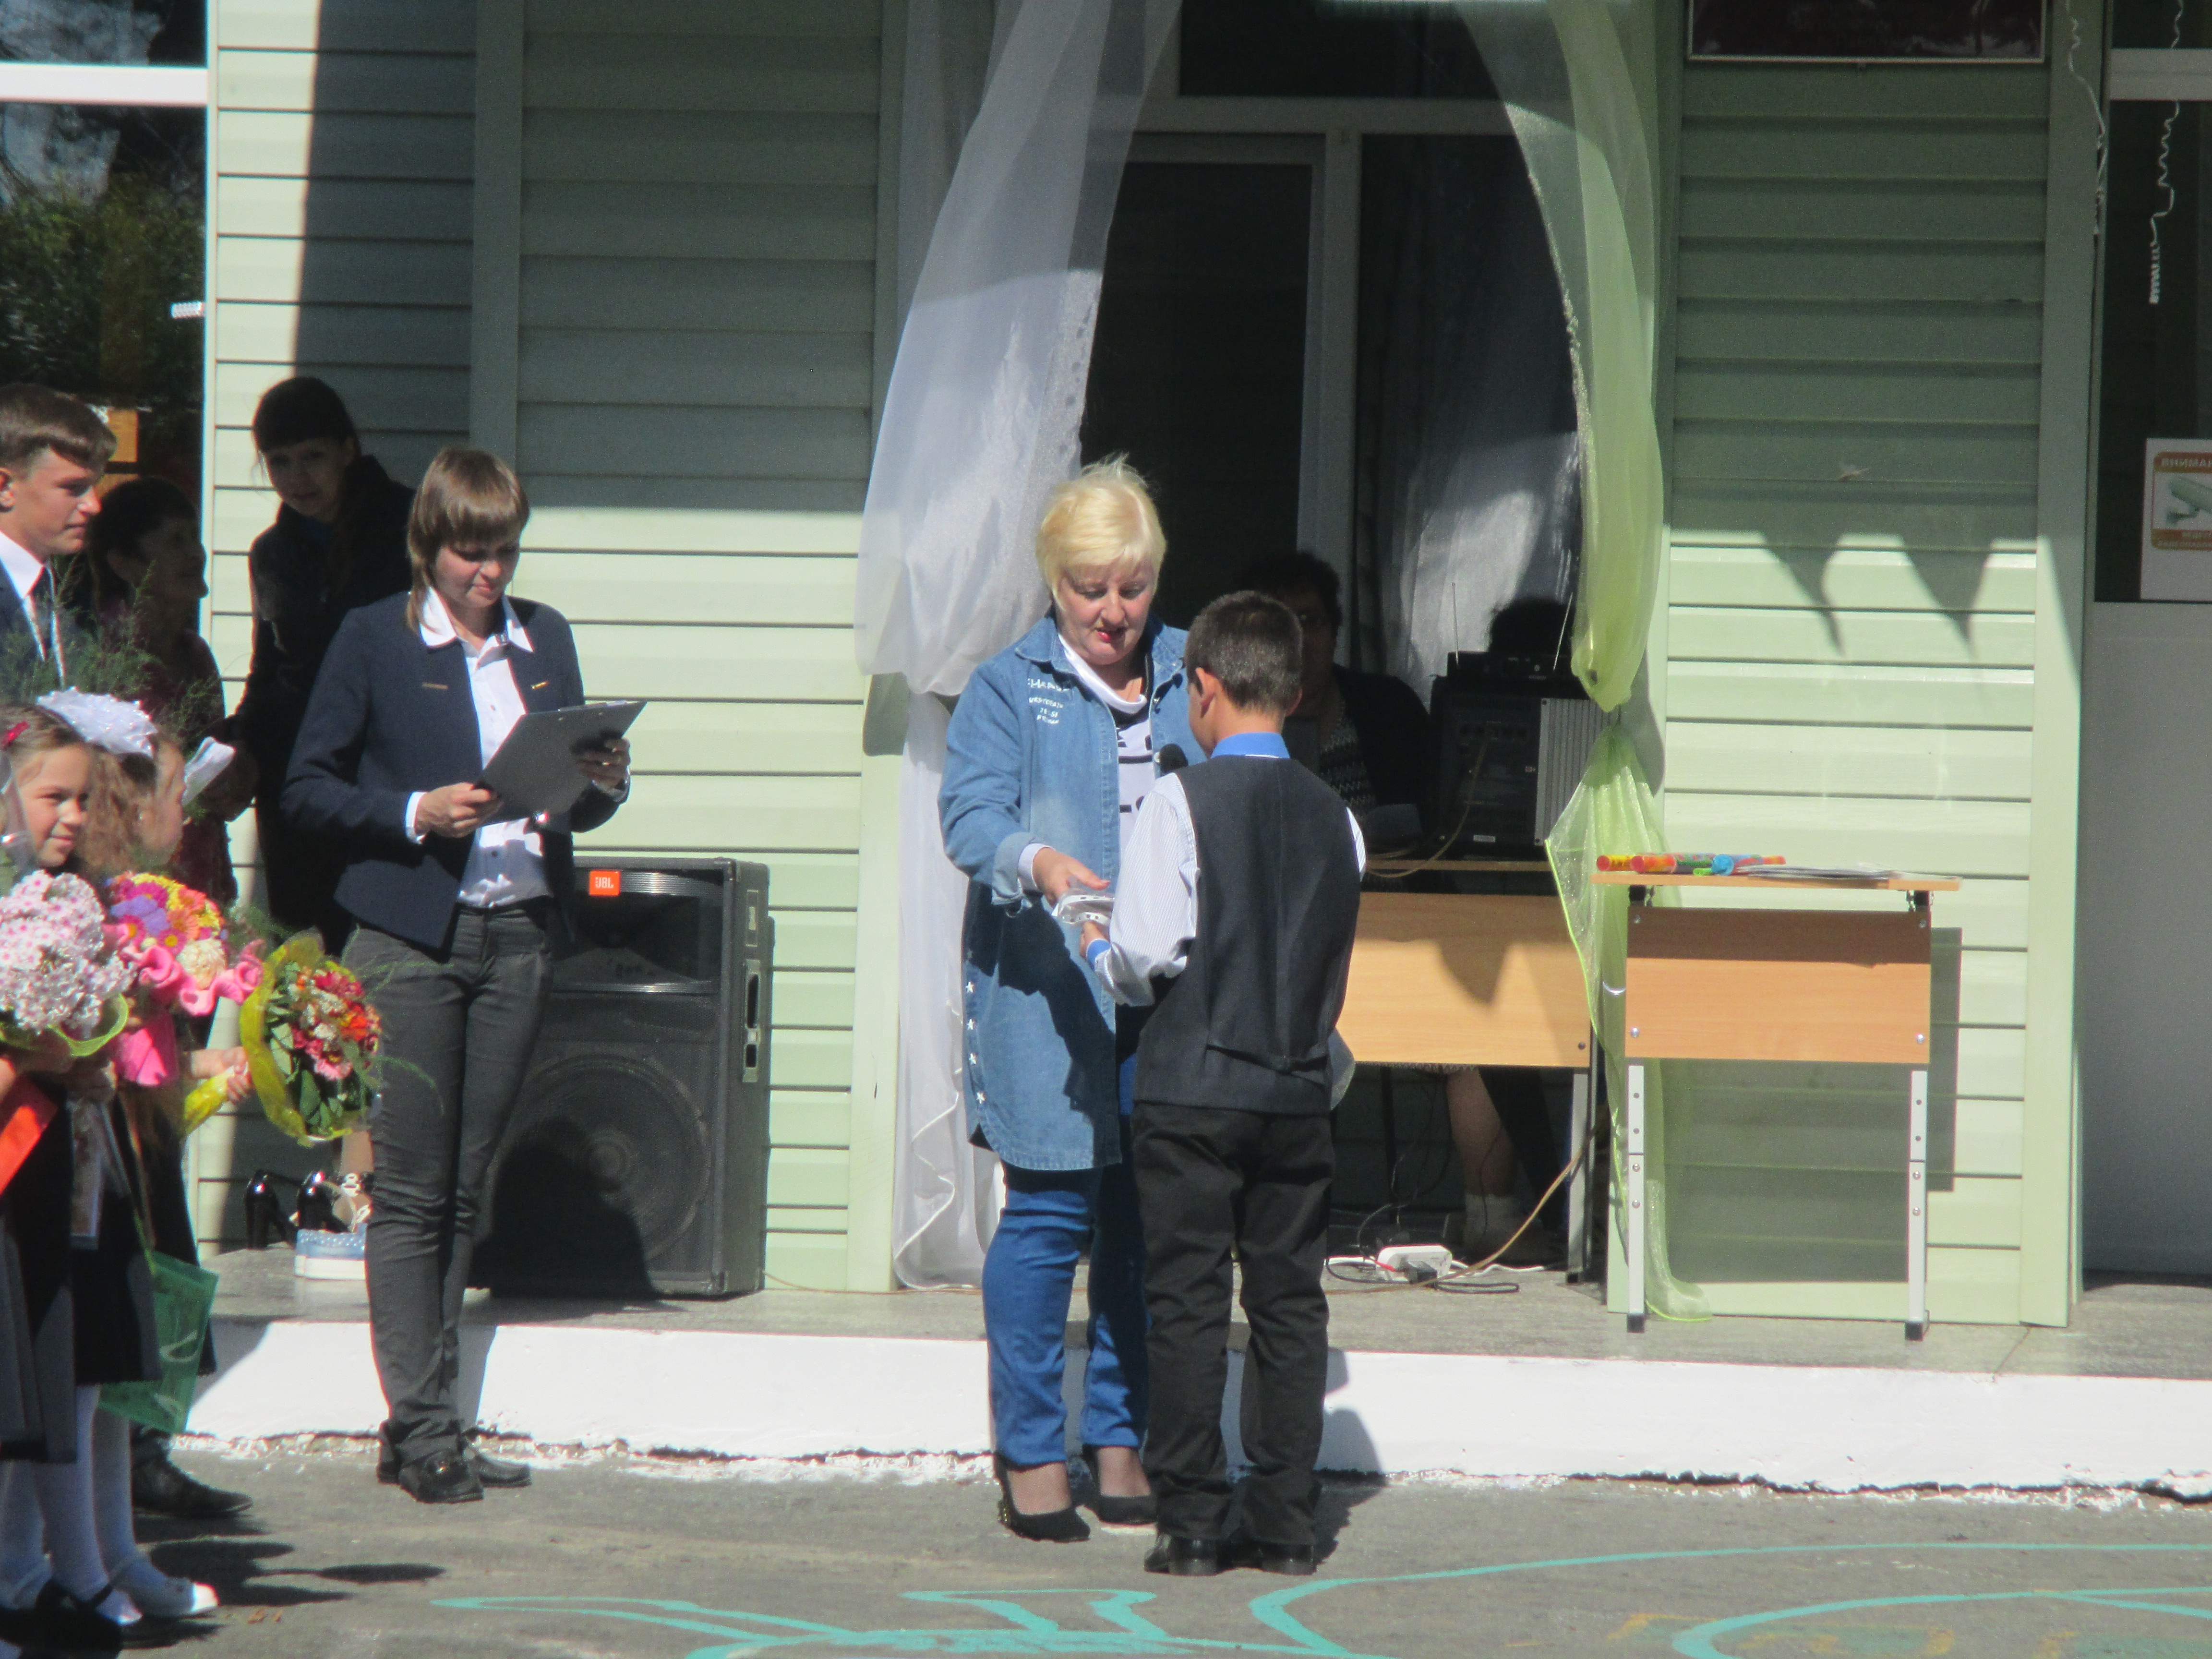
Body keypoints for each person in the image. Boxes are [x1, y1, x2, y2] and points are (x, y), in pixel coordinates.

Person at [284, 446, 629, 1505]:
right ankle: (424, 1425)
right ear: (428, 546)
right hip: (411, 940)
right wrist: (413, 811)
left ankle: (428, 1422)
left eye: (505, 553)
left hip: (518, 930)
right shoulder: (375, 638)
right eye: (471, 555)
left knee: (466, 1189)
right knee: (411, 1191)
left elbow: (576, 800)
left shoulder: (543, 637)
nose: (490, 574)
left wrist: (604, 782)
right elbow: (305, 787)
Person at [1079, 591, 1363, 1578]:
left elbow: (1146, 955)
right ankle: (1284, 1520)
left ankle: (1194, 1519)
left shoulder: (1178, 801)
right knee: (1289, 1301)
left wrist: (1095, 944)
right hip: (1296, 1091)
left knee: (1189, 1302)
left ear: (1202, 687)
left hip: (1192, 1088)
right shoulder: (1339, 819)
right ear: (1293, 692)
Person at [939, 458, 1197, 1543]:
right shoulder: (1009, 685)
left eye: (1132, 587)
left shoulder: (1191, 673)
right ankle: (1033, 1452)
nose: (1113, 611)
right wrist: (1038, 860)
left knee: (1143, 1224)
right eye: (1090, 588)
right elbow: (968, 817)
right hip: (1049, 996)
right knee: (1048, 1220)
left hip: (1168, 997)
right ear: (1054, 583)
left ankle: (1119, 1438)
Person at [1239, 553, 1562, 1265]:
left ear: (1335, 630)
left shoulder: (1385, 707)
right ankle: (1267, 1221)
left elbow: (1442, 818)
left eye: (1310, 620)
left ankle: (1491, 1219)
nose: (1298, 637)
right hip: (1279, 945)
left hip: (1396, 932)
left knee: (1480, 1021)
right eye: (1280, 621)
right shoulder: (1238, 719)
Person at [233, 376, 413, 949]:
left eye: (312, 457)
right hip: (302, 781)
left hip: (389, 770)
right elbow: (270, 671)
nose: (297, 478)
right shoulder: (272, 552)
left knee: (388, 951)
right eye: (279, 462)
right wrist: (238, 744)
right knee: (307, 960)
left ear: (347, 450)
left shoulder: (411, 527)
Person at [71, 476, 256, 905]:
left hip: (200, 874)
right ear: (125, 564)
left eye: (194, 537)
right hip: (133, 884)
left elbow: (215, 771)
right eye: (175, 542)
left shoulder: (196, 653)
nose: (195, 553)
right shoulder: (101, 654)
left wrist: (233, 777)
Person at [0, 386, 110, 686]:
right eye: (73, 488)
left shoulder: (75, 596)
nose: (94, 506)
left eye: (94, 486)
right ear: (5, 488)